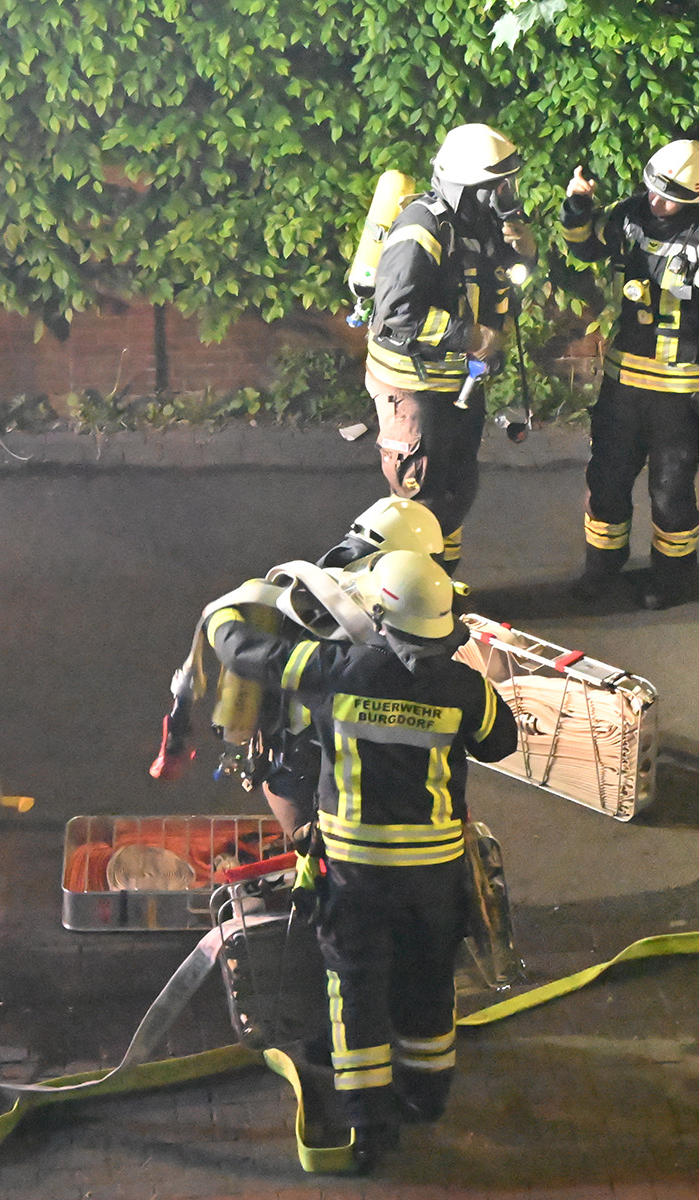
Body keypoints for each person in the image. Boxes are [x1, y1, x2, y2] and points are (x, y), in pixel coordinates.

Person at [205, 549, 518, 1168]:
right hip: (433, 876)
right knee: (430, 976)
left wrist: (220, 618)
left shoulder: (334, 670)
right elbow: (500, 742)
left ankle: (370, 1125)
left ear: (380, 614)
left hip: (355, 875)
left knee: (355, 986)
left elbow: (253, 656)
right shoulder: (464, 689)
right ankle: (426, 1094)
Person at [560, 139, 699, 609]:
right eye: (653, 189)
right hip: (623, 382)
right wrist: (577, 206)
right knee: (606, 481)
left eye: (668, 196)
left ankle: (671, 578)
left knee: (670, 492)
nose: (655, 201)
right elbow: (583, 248)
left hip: (677, 392)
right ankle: (601, 569)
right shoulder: (630, 214)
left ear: (694, 196)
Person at [365, 123, 534, 576]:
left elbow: (498, 284)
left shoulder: (480, 225)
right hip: (413, 387)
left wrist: (524, 254)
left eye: (508, 183)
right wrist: (473, 337)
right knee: (422, 496)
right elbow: (396, 315)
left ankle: (441, 587)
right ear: (470, 188)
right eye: (499, 185)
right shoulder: (422, 228)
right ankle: (407, 597)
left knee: (457, 489)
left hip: (459, 381)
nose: (507, 194)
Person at [259, 497, 448, 841]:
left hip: (290, 757)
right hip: (330, 760)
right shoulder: (363, 606)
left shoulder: (322, 581)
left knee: (309, 847)